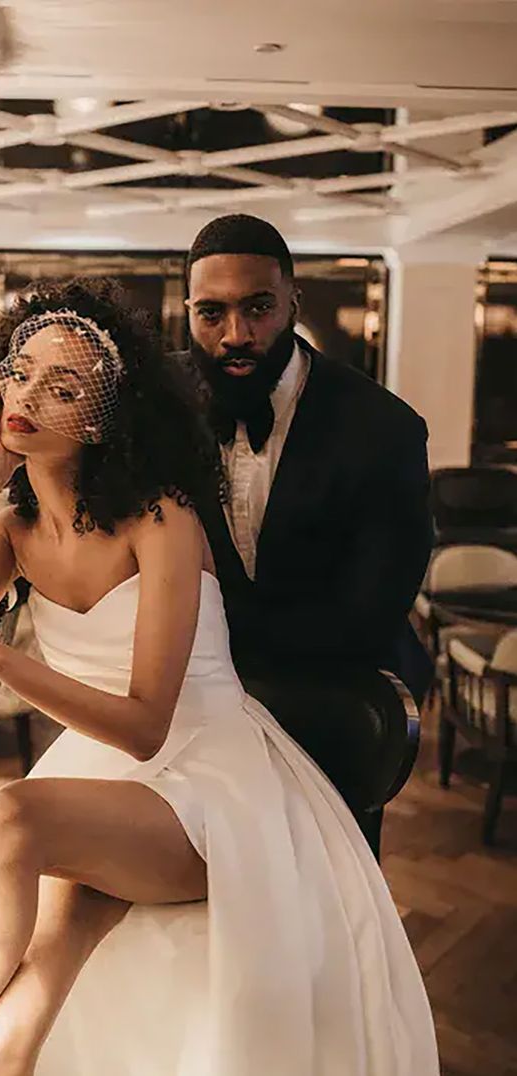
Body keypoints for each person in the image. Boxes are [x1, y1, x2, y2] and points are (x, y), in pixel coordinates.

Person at [0, 278, 439, 1076]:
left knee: (10, 817)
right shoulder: (15, 527)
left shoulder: (161, 518)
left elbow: (145, 725)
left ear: (104, 419)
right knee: (12, 1028)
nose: (28, 397)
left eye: (64, 388)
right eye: (20, 373)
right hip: (100, 778)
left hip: (207, 784)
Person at [181, 214, 434, 858]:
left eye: (258, 308)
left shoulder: (385, 429)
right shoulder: (160, 400)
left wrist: (208, 638)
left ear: (294, 301)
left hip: (336, 709)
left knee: (328, 895)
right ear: (187, 311)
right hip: (196, 711)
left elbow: (368, 613)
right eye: (211, 313)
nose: (235, 335)